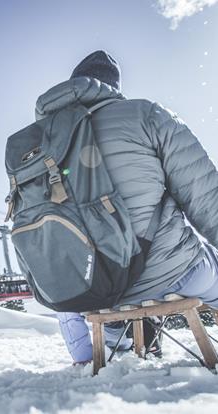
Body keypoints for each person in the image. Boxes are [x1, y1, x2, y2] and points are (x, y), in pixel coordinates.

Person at [34, 50, 218, 364]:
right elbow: (205, 195)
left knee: (68, 300)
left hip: (87, 290)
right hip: (171, 272)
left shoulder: (40, 144)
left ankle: (91, 358)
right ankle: (136, 330)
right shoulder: (145, 115)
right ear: (112, 88)